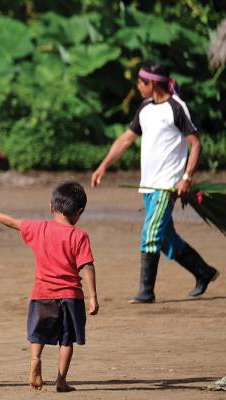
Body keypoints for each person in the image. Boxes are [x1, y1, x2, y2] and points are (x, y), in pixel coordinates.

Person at [91, 62, 219, 303]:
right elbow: (126, 139)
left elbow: (196, 144)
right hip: (148, 186)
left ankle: (146, 292)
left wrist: (186, 178)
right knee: (166, 237)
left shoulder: (176, 107)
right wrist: (103, 165)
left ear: (152, 83)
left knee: (150, 233)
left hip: (166, 186)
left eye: (141, 82)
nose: (138, 86)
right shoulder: (145, 108)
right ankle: (204, 272)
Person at [0, 181, 98, 392]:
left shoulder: (39, 228)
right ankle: (61, 380)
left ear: (51, 207)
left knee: (38, 334)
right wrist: (93, 296)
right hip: (70, 295)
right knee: (67, 340)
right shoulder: (79, 236)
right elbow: (87, 265)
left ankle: (35, 359)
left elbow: (11, 222)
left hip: (42, 292)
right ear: (79, 211)